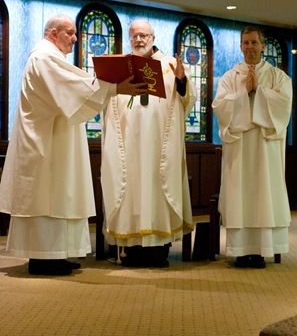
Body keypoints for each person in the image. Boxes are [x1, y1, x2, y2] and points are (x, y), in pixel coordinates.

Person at [0, 14, 148, 276]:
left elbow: (74, 85)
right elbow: (72, 86)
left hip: (57, 137)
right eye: (70, 32)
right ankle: (44, 257)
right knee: (50, 197)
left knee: (62, 194)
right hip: (45, 142)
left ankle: (58, 254)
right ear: (53, 33)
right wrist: (113, 87)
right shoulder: (43, 57)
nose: (75, 38)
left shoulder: (52, 57)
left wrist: (109, 87)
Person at [101, 19, 197, 267]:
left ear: (153, 37)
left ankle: (158, 250)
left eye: (144, 35)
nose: (139, 40)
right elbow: (105, 99)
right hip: (128, 143)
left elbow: (187, 98)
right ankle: (131, 251)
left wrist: (182, 79)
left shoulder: (169, 65)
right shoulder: (121, 66)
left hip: (158, 146)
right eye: (134, 36)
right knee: (130, 188)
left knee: (157, 189)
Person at [212, 25, 292, 268]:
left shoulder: (278, 76)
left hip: (265, 149)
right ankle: (240, 251)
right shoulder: (229, 77)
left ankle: (262, 250)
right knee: (240, 196)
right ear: (240, 46)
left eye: (254, 43)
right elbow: (220, 108)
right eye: (245, 43)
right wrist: (244, 92)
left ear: (263, 45)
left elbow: (284, 108)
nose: (250, 48)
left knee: (263, 195)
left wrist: (260, 91)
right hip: (240, 150)